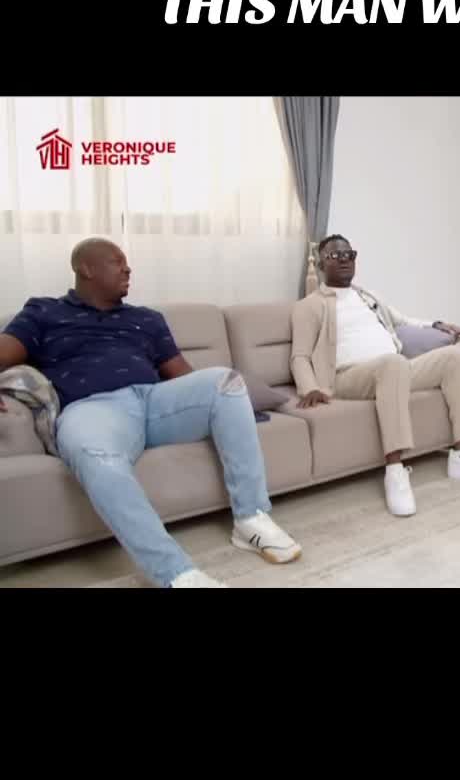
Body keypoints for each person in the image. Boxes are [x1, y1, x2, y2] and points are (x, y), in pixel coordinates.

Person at [0, 239, 302, 586]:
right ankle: (175, 572)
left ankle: (250, 517)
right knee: (93, 452)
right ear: (86, 268)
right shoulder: (44, 312)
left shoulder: (147, 319)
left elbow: (184, 376)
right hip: (93, 410)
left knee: (226, 381)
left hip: (154, 401)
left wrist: (228, 409)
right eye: (117, 262)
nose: (128, 269)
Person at [291, 235, 460, 516]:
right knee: (393, 364)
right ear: (322, 264)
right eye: (335, 255)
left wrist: (438, 324)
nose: (344, 260)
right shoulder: (308, 306)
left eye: (349, 254)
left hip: (393, 369)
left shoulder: (367, 296)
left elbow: (404, 322)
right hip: (348, 377)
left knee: (455, 357)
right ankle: (395, 470)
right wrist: (309, 387)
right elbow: (299, 355)